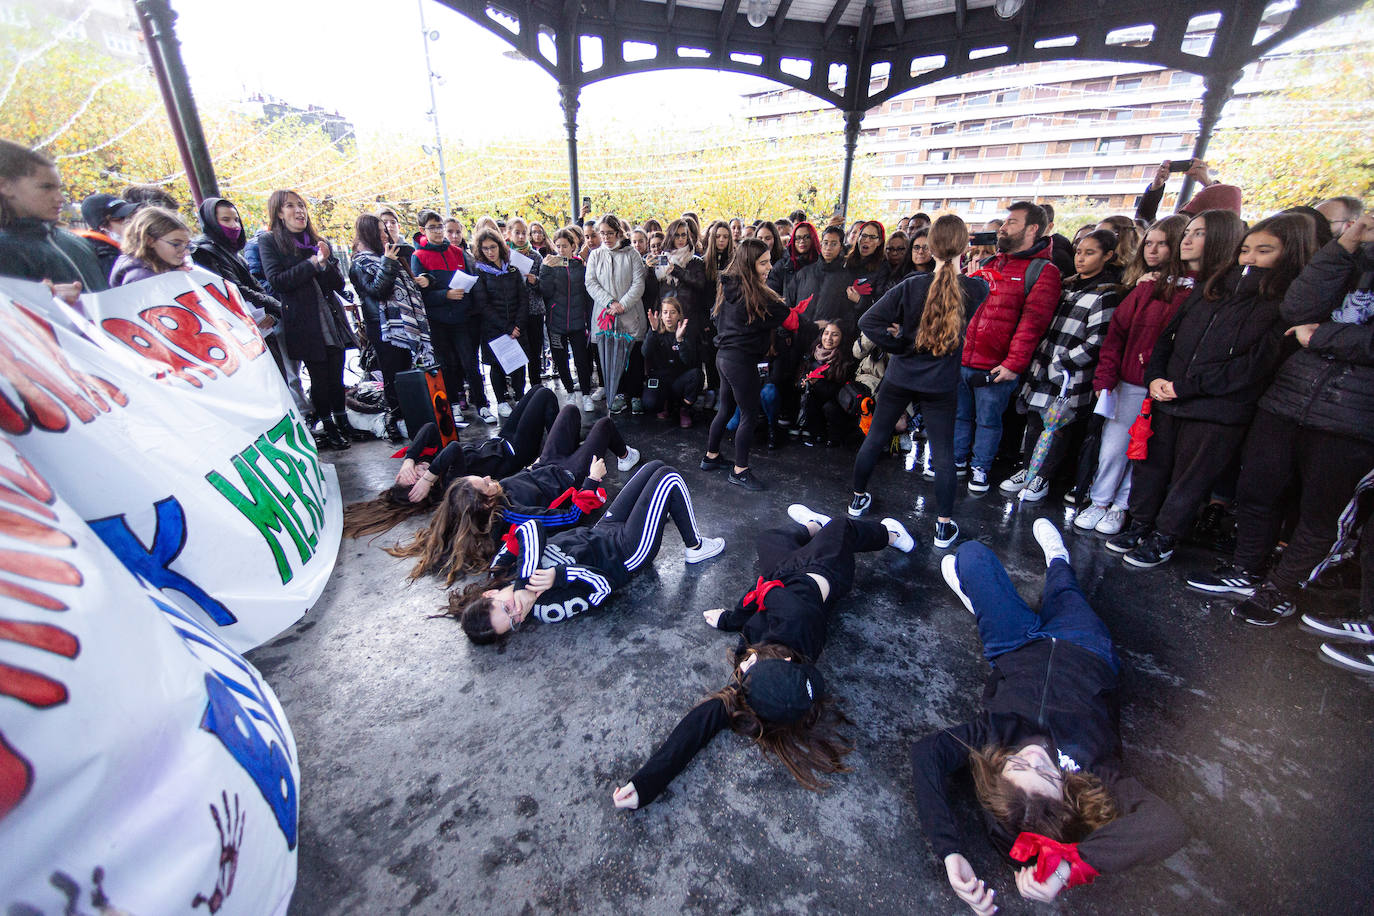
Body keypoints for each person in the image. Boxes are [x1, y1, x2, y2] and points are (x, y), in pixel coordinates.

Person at [917, 519, 1185, 915]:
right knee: (1063, 588)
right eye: (1046, 775)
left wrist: (949, 851)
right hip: (1085, 647)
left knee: (969, 555)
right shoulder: (1094, 772)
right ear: (1067, 798)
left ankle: (985, 608)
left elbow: (926, 753)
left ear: (999, 770)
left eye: (1019, 764)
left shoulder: (994, 737)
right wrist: (1069, 869)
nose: (1035, 758)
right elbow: (1169, 826)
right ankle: (1057, 556)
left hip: (1015, 645)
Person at [612, 505, 914, 809]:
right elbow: (761, 591)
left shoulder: (762, 690)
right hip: (822, 569)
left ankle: (811, 526)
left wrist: (646, 783)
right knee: (841, 528)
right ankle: (890, 534)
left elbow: (702, 722)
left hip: (785, 573)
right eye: (753, 665)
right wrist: (730, 618)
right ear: (785, 661)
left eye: (745, 672)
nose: (744, 665)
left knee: (769, 537)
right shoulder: (796, 620)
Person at [1190, 212, 1374, 625]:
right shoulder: (1349, 258)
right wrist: (1344, 247)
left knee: (1320, 515)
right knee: (1257, 491)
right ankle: (1246, 570)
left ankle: (1281, 590)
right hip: (1287, 401)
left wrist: (1322, 337)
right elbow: (1298, 308)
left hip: (1353, 418)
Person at [1110, 213, 1318, 569]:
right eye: (1245, 250)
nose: (1250, 259)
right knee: (1149, 466)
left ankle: (1165, 536)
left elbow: (1256, 365)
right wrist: (1156, 377)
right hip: (1166, 396)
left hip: (1217, 409)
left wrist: (1186, 387)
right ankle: (1140, 523)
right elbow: (1168, 337)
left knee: (1190, 480)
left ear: (1289, 255)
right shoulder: (1211, 287)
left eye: (1263, 251)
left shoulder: (1283, 304)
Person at [451, 460, 726, 643]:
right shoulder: (549, 609)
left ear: (491, 594)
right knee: (668, 478)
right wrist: (560, 576)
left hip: (602, 529)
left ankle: (660, 512)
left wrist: (524, 582)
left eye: (507, 608)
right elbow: (602, 587)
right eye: (513, 623)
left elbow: (530, 527)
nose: (518, 613)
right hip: (627, 553)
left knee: (653, 466)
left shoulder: (502, 572)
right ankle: (696, 547)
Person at [377, 403, 640, 579]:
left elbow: (506, 480)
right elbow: (569, 518)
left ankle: (580, 449)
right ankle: (625, 454)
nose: (491, 478)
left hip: (543, 464)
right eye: (487, 483)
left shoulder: (473, 504)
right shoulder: (512, 515)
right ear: (486, 503)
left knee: (570, 410)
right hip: (568, 477)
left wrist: (530, 469)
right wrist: (592, 481)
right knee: (604, 425)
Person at [854, 215, 989, 547]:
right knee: (943, 454)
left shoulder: (913, 285)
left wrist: (900, 344)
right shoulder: (976, 289)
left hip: (901, 375)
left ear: (930, 247)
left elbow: (868, 320)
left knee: (876, 438)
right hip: (941, 383)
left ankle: (857, 500)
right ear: (965, 246)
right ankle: (943, 527)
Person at [1076, 215, 1195, 536]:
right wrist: (1104, 380)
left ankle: (1121, 507)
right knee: (1113, 448)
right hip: (1126, 383)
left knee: (1143, 453)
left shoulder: (1195, 292)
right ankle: (1099, 501)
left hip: (1165, 390)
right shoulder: (1143, 288)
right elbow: (1115, 336)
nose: (1153, 250)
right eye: (1149, 243)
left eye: (1162, 243)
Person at [999, 229, 1124, 503]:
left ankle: (1043, 477)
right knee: (1034, 420)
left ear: (1108, 255)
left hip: (1071, 374)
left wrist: (1064, 361)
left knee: (1057, 426)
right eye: (1079, 251)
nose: (1081, 258)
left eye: (1090, 253)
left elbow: (1098, 339)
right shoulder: (1066, 284)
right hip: (1042, 363)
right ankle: (1029, 469)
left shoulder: (1107, 294)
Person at [955, 201, 1062, 494]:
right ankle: (957, 461)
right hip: (964, 357)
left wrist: (1014, 364)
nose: (1003, 228)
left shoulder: (1043, 271)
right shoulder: (989, 262)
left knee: (989, 422)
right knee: (960, 415)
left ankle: (980, 467)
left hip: (996, 366)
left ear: (1032, 229)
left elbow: (1032, 324)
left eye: (1011, 222)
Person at [258, 188, 362, 451]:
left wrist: (326, 264)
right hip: (305, 320)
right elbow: (277, 281)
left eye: (301, 205)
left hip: (331, 316)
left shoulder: (317, 240)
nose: (298, 211)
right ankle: (328, 425)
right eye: (290, 206)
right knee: (319, 377)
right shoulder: (270, 242)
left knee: (337, 374)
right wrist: (313, 263)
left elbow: (338, 283)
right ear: (279, 213)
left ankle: (343, 421)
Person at [702, 238, 803, 491]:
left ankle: (711, 457)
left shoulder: (729, 286)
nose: (769, 267)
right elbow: (790, 321)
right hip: (740, 362)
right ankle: (740, 470)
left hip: (724, 358)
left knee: (725, 409)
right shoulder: (758, 296)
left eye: (769, 261)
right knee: (748, 414)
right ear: (749, 264)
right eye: (763, 263)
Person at [349, 213, 432, 441]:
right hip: (384, 327)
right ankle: (396, 418)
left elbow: (408, 287)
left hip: (403, 325)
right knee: (392, 374)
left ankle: (410, 415)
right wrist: (387, 263)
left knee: (405, 371)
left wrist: (425, 280)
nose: (385, 235)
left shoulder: (389, 256)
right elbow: (377, 291)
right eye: (381, 230)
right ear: (369, 233)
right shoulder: (361, 262)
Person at [0, 140, 108, 294]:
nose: (60, 198)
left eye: (59, 188)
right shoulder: (5, 249)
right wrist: (44, 300)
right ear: (6, 186)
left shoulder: (76, 241)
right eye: (46, 187)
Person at [412, 209, 485, 419]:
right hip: (439, 320)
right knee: (447, 364)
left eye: (439, 226)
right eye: (432, 227)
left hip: (462, 317)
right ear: (422, 230)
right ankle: (453, 403)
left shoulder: (457, 252)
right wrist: (446, 295)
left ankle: (481, 402)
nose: (437, 231)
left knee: (470, 361)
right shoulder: (418, 257)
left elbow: (472, 280)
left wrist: (468, 302)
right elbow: (421, 296)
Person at [190, 196, 283, 346]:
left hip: (261, 329)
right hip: (236, 335)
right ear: (212, 222)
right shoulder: (205, 253)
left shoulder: (234, 254)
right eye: (225, 220)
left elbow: (255, 285)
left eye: (236, 220)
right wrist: (275, 304)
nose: (234, 226)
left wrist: (273, 313)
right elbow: (234, 288)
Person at [585, 214, 648, 415]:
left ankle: (635, 394)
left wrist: (623, 304)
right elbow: (591, 283)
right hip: (605, 314)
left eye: (609, 233)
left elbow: (639, 283)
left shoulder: (632, 254)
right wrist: (610, 302)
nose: (605, 237)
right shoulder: (595, 255)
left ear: (618, 232)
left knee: (634, 356)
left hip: (631, 315)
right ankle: (618, 393)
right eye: (602, 233)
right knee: (611, 356)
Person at [470, 226, 528, 417]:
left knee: (519, 365)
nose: (490, 252)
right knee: (496, 366)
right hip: (494, 329)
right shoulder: (480, 273)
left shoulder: (511, 269)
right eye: (485, 248)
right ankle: (501, 402)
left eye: (493, 247)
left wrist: (517, 324)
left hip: (516, 327)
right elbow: (483, 305)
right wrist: (507, 327)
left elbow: (522, 298)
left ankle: (520, 396)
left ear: (500, 246)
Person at [540, 227, 595, 410]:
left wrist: (589, 321)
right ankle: (569, 392)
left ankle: (586, 394)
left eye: (565, 246)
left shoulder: (581, 266)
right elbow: (545, 293)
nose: (561, 250)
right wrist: (546, 270)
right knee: (560, 359)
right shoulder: (550, 266)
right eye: (558, 246)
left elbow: (587, 294)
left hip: (578, 322)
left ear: (573, 246)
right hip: (556, 323)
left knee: (582, 360)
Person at [793, 321, 856, 446]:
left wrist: (817, 383)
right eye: (826, 333)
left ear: (842, 337)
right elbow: (799, 379)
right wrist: (804, 383)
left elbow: (838, 390)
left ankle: (835, 437)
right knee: (808, 400)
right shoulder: (813, 353)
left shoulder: (846, 359)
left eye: (835, 335)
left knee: (830, 407)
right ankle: (817, 434)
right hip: (816, 397)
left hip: (837, 402)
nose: (829, 338)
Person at [642, 298, 702, 427]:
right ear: (661, 315)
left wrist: (680, 340)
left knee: (697, 375)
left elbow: (689, 361)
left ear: (679, 315)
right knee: (649, 403)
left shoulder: (685, 332)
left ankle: (684, 409)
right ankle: (665, 405)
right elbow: (645, 353)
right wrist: (652, 330)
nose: (668, 316)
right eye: (665, 312)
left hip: (678, 380)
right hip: (661, 378)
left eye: (673, 312)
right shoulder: (655, 331)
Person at [506, 217, 548, 387]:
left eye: (524, 233)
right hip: (514, 312)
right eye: (517, 233)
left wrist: (535, 281)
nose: (521, 237)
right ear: (509, 234)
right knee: (517, 353)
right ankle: (518, 390)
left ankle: (536, 386)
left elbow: (545, 285)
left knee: (534, 351)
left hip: (534, 311)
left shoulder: (535, 256)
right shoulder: (505, 255)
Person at [792, 225, 857, 328]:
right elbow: (790, 304)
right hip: (800, 332)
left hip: (827, 337)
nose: (828, 248)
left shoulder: (847, 278)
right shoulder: (804, 273)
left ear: (840, 247)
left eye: (834, 244)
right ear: (821, 244)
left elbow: (848, 314)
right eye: (826, 243)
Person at [110, 206, 193, 285]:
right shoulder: (140, 278)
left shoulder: (164, 265)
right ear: (149, 241)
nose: (186, 252)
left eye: (187, 245)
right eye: (176, 244)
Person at [76, 192, 137, 280]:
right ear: (103, 227)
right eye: (122, 219)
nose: (132, 222)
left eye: (131, 216)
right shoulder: (106, 258)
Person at [843, 220, 890, 323]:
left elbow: (881, 305)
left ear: (880, 242)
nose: (866, 240)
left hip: (861, 323)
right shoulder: (846, 259)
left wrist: (860, 300)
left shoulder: (883, 268)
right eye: (863, 235)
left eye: (872, 237)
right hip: (838, 320)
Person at [769, 220, 818, 301]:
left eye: (807, 237)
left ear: (813, 238)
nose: (802, 241)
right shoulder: (783, 265)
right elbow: (771, 295)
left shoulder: (822, 264)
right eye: (798, 238)